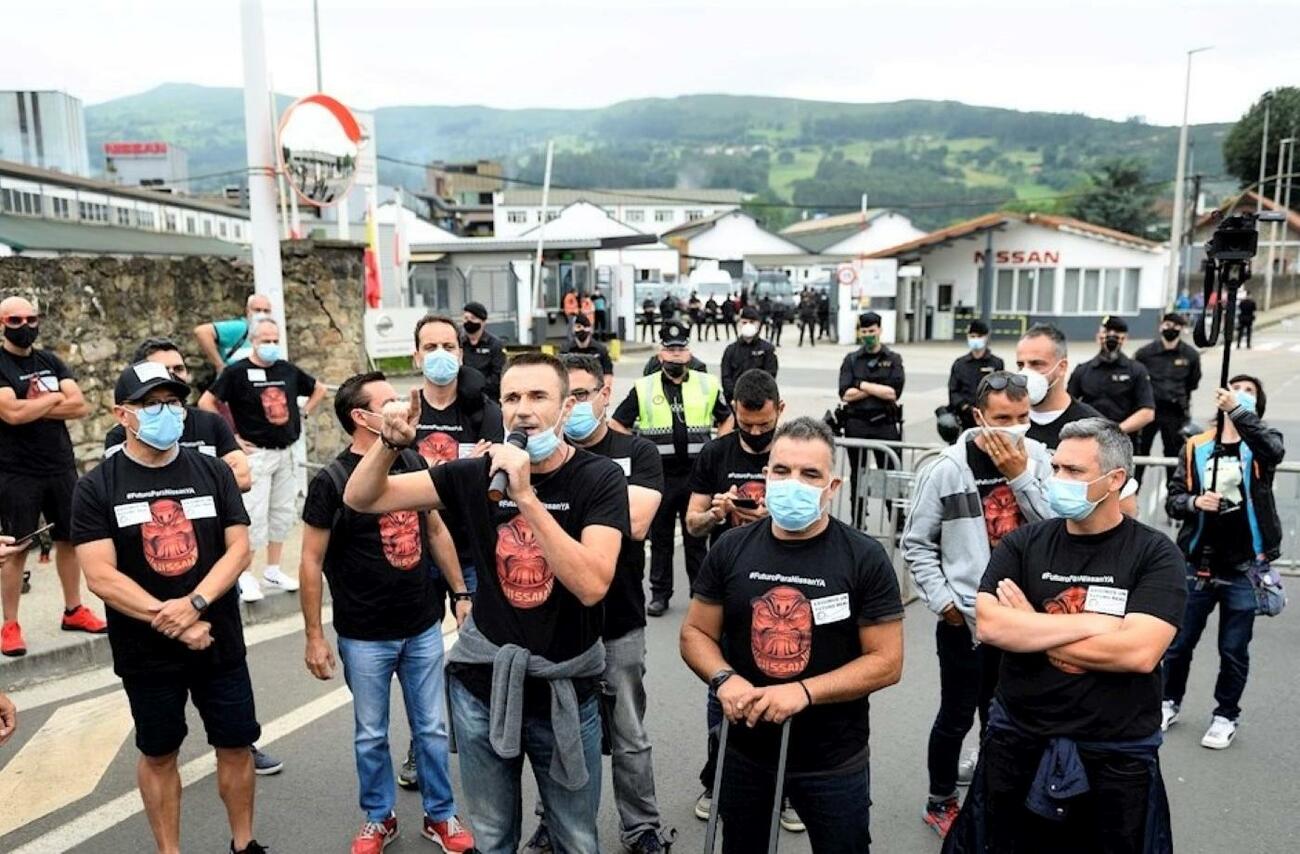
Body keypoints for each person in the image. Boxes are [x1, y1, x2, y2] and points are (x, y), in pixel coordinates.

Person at [343, 353, 630, 854]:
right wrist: (389, 444)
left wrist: (526, 498)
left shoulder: (599, 478)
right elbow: (364, 498)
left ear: (565, 408)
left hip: (566, 689)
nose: (523, 410)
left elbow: (591, 584)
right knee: (493, 835)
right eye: (513, 398)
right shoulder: (474, 474)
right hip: (484, 687)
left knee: (577, 838)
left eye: (538, 397)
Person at [948, 417, 1187, 854]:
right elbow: (992, 624)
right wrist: (1096, 624)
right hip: (1018, 745)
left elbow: (1138, 652)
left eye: (1074, 471)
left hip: (1115, 758)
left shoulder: (1156, 555)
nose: (1058, 479)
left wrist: (1032, 625)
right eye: (1056, 467)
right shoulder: (1024, 543)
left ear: (1114, 480)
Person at [680, 416, 905, 854]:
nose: (792, 482)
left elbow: (886, 660)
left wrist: (804, 692)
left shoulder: (865, 557)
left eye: (810, 474)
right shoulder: (731, 548)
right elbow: (694, 633)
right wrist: (724, 679)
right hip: (745, 751)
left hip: (833, 760)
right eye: (781, 471)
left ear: (832, 487)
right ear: (766, 476)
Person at [74, 361, 269, 854]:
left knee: (235, 744)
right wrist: (178, 621)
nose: (167, 412)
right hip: (148, 649)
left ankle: (244, 844)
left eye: (173, 401)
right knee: (159, 752)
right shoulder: (97, 486)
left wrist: (197, 603)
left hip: (217, 636)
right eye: (152, 404)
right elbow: (100, 576)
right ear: (124, 414)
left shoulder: (211, 472)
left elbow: (238, 549)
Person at [299, 372, 475, 853]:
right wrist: (314, 636)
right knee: (371, 734)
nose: (402, 407)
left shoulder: (413, 459)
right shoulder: (331, 482)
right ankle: (380, 817)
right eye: (389, 402)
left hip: (421, 626)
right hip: (364, 635)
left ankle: (440, 816)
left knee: (433, 729)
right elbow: (310, 562)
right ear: (361, 417)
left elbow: (436, 531)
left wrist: (460, 593)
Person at [522, 354, 670, 854]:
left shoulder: (638, 452)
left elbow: (638, 522)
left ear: (606, 392)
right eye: (570, 396)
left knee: (628, 733)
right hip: (558, 624)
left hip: (619, 621)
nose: (576, 406)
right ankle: (552, 821)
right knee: (556, 736)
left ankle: (641, 826)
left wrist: (571, 511)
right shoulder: (536, 463)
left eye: (585, 394)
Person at [902, 371, 1054, 839]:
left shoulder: (1041, 460)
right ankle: (940, 799)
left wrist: (1020, 476)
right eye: (1002, 418)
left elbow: (1057, 529)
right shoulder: (948, 468)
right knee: (956, 714)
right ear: (978, 416)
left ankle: (992, 795)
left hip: (1023, 619)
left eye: (1023, 418)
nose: (1013, 429)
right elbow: (917, 543)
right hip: (964, 622)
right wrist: (946, 603)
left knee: (1004, 716)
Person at [684, 368, 800, 828]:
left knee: (787, 688)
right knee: (725, 690)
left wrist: (781, 516)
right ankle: (717, 782)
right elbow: (690, 523)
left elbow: (825, 515)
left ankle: (786, 791)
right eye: (746, 423)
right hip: (732, 590)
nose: (755, 433)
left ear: (780, 410)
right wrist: (713, 513)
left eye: (764, 425)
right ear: (733, 409)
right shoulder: (716, 453)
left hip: (791, 590)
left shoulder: (795, 452)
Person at [402, 313, 504, 787]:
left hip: (472, 547)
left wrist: (488, 463)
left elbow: (502, 485)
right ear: (416, 356)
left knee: (479, 645)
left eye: (450, 346)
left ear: (461, 355)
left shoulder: (484, 411)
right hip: (415, 551)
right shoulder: (405, 413)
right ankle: (420, 749)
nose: (441, 355)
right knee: (420, 656)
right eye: (432, 346)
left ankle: (484, 738)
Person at [1161, 375, 1284, 750]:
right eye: (1234, 388)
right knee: (1178, 644)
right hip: (1198, 561)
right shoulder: (1196, 446)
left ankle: (1225, 715)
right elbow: (1174, 498)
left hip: (1245, 566)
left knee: (1233, 649)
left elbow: (1273, 450)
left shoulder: (1261, 444)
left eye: (1249, 391)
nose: (1240, 393)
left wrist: (1239, 413)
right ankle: (1168, 701)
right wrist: (1194, 503)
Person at [0, 295, 107, 657]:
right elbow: (11, 414)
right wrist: (51, 399)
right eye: (16, 320)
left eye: (32, 318)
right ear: (2, 323)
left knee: (71, 540)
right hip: (16, 471)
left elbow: (79, 405)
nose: (25, 326)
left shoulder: (50, 360)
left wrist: (33, 404)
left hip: (60, 464)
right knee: (16, 548)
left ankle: (74, 609)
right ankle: (10, 624)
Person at [199, 318, 327, 602]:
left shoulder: (287, 370)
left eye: (274, 339)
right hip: (256, 454)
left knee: (281, 511)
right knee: (253, 514)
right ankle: (246, 574)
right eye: (265, 340)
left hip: (287, 452)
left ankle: (273, 568)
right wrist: (230, 436)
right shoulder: (237, 372)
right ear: (253, 341)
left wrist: (303, 412)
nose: (270, 345)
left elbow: (319, 388)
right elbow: (206, 402)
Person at [611, 322, 732, 616]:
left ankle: (701, 595)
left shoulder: (707, 383)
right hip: (661, 476)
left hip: (697, 475)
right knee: (662, 538)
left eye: (680, 349)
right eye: (670, 349)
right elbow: (617, 423)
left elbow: (726, 418)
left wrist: (719, 449)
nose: (676, 356)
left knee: (696, 539)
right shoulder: (644, 387)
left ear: (688, 352)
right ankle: (660, 595)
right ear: (660, 352)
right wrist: (639, 452)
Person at [105, 339, 251, 491]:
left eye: (179, 369)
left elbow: (242, 479)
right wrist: (214, 476)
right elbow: (124, 487)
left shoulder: (212, 423)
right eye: (163, 370)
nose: (172, 375)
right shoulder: (121, 435)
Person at [837, 312, 905, 517]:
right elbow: (845, 394)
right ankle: (857, 518)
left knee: (887, 475)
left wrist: (861, 384)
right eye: (864, 331)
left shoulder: (892, 359)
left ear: (880, 331)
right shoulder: (851, 359)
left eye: (871, 331)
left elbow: (893, 393)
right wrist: (877, 389)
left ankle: (895, 521)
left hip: (884, 424)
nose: (868, 335)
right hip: (857, 423)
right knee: (858, 473)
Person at [1067, 316, 1155, 447]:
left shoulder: (1137, 370)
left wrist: (1116, 431)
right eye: (1107, 332)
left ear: (1124, 338)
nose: (1111, 336)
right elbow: (1067, 405)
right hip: (1089, 441)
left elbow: (1147, 413)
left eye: (1117, 333)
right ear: (1098, 337)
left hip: (1123, 441)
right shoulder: (1082, 370)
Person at [1135, 313, 1202, 482]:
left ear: (1182, 329)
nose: (1171, 329)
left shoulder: (1191, 355)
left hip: (1175, 412)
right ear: (1161, 326)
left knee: (1173, 455)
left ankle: (1174, 496)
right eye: (1167, 324)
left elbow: (1192, 383)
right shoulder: (1145, 353)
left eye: (1176, 325)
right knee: (1140, 452)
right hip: (1149, 410)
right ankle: (1132, 493)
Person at [1014, 324, 1101, 451]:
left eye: (1036, 364)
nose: (1026, 373)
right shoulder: (1008, 419)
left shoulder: (1091, 426)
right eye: (1021, 365)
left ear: (1062, 367)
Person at [948, 320, 1005, 431]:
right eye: (972, 336)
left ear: (986, 337)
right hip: (964, 417)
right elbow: (953, 390)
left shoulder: (996, 363)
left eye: (979, 336)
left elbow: (1001, 389)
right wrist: (964, 406)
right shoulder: (960, 364)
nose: (975, 339)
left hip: (988, 417)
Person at [193, 293, 274, 372]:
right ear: (248, 311)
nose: (262, 314)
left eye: (266, 311)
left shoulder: (270, 334)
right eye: (257, 310)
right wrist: (219, 365)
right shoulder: (241, 327)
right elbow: (202, 332)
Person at [720, 307, 779, 405]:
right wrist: (735, 398)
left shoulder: (767, 350)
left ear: (758, 324)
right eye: (744, 322)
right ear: (739, 324)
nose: (748, 325)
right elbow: (726, 378)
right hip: (735, 403)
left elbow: (770, 377)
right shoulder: (730, 350)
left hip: (759, 403)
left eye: (752, 322)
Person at [460, 301, 507, 403]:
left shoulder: (494, 345)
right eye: (466, 318)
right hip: (463, 399)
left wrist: (477, 386)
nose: (468, 322)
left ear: (483, 321)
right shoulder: (459, 344)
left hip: (489, 400)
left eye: (473, 318)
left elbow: (498, 375)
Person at [561, 314, 614, 391]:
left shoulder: (600, 350)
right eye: (578, 327)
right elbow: (559, 374)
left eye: (585, 327)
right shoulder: (566, 350)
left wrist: (602, 392)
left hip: (594, 391)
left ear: (590, 329)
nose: (582, 330)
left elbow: (608, 374)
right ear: (573, 329)